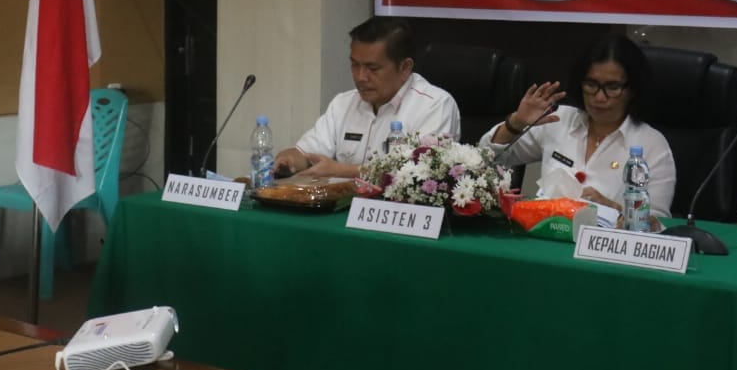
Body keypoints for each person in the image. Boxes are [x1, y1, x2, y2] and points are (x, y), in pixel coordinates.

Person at [481, 33, 676, 218]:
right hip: (547, 234)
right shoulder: (558, 120)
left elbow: (658, 222)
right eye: (591, 85)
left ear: (632, 89)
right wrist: (516, 123)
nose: (599, 97)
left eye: (612, 87)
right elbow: (486, 159)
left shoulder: (652, 144)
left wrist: (613, 209)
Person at [273, 17, 460, 178]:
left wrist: (342, 171)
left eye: (373, 68)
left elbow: (423, 175)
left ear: (405, 68)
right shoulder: (343, 104)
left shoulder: (435, 105)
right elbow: (306, 154)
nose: (361, 77)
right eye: (355, 65)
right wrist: (290, 160)